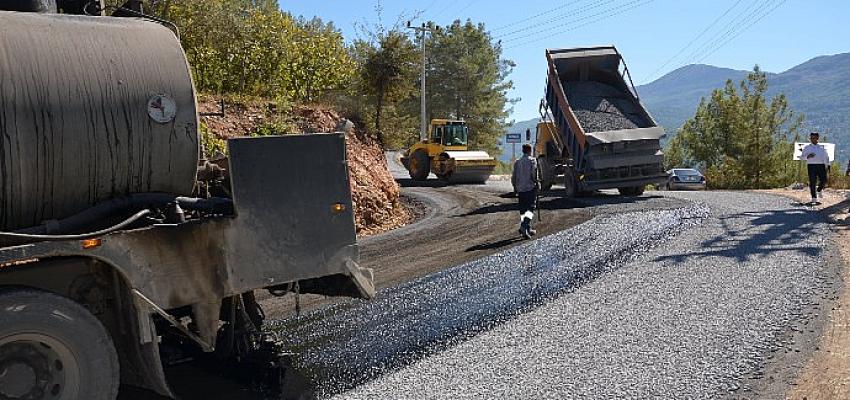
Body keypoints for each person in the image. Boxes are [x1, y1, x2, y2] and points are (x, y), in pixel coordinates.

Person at [512, 143, 539, 239]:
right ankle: (523, 227)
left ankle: (528, 229)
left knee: (523, 210)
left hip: (520, 189)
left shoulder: (517, 162)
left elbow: (514, 176)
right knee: (531, 208)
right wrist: (537, 183)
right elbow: (534, 174)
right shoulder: (532, 161)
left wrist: (515, 188)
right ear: (530, 150)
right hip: (529, 187)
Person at [800, 132, 829, 204]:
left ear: (817, 138)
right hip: (811, 165)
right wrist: (807, 157)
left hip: (821, 165)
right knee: (812, 181)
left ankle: (819, 190)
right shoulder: (807, 148)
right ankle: (814, 198)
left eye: (814, 138)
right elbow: (801, 157)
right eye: (811, 138)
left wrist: (827, 165)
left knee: (824, 180)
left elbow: (826, 157)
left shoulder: (821, 147)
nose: (812, 139)